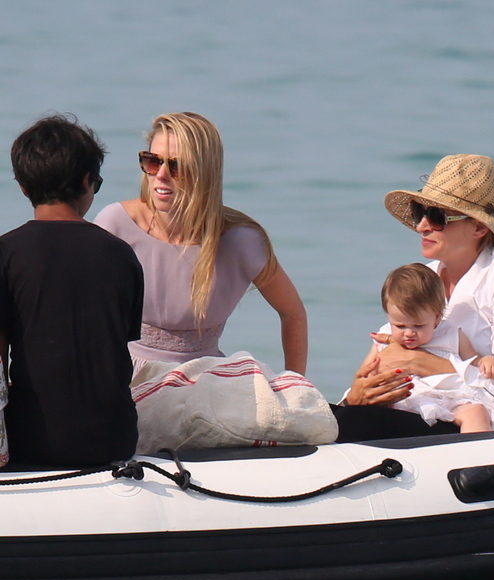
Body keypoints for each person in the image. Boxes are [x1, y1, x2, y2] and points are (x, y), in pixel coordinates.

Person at [346, 154, 494, 426]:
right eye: (419, 212)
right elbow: (389, 358)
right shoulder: (424, 277)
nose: (421, 226)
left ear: (479, 227)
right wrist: (357, 395)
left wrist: (417, 362)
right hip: (440, 417)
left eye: (437, 216)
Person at [93, 112, 307, 375]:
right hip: (124, 376)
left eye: (176, 166)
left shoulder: (241, 240)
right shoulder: (115, 225)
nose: (161, 175)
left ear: (204, 172)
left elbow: (293, 313)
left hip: (205, 381)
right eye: (152, 161)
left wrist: (295, 385)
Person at [0, 114, 143, 467]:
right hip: (114, 440)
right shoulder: (120, 254)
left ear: (23, 187)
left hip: (30, 441)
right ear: (86, 181)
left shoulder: (6, 254)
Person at [366, 263, 494, 433]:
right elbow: (368, 372)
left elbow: (473, 360)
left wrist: (487, 361)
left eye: (418, 326)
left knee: (476, 412)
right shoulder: (384, 336)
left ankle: (474, 448)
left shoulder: (451, 334)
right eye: (400, 326)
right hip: (402, 398)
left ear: (436, 318)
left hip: (447, 398)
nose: (409, 333)